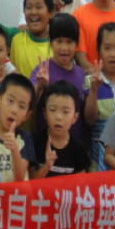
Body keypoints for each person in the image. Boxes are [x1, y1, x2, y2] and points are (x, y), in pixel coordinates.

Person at [30, 14, 85, 144]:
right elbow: (28, 105)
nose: (64, 48)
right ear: (50, 42)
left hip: (75, 147)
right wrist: (39, 87)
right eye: (59, 41)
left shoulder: (81, 74)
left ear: (77, 44)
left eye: (69, 42)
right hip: (45, 146)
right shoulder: (41, 71)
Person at [84, 22, 115, 172]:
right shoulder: (90, 81)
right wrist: (94, 89)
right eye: (107, 48)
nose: (113, 54)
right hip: (98, 153)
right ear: (99, 50)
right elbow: (89, 120)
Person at [29, 81, 90, 179]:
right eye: (52, 110)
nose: (58, 117)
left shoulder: (78, 148)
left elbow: (80, 183)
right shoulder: (34, 141)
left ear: (75, 117)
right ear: (45, 113)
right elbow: (28, 180)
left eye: (65, 111)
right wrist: (46, 167)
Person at [9, 0, 54, 80]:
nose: (33, 12)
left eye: (39, 7)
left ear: (50, 13)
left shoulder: (57, 45)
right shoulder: (16, 40)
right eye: (28, 7)